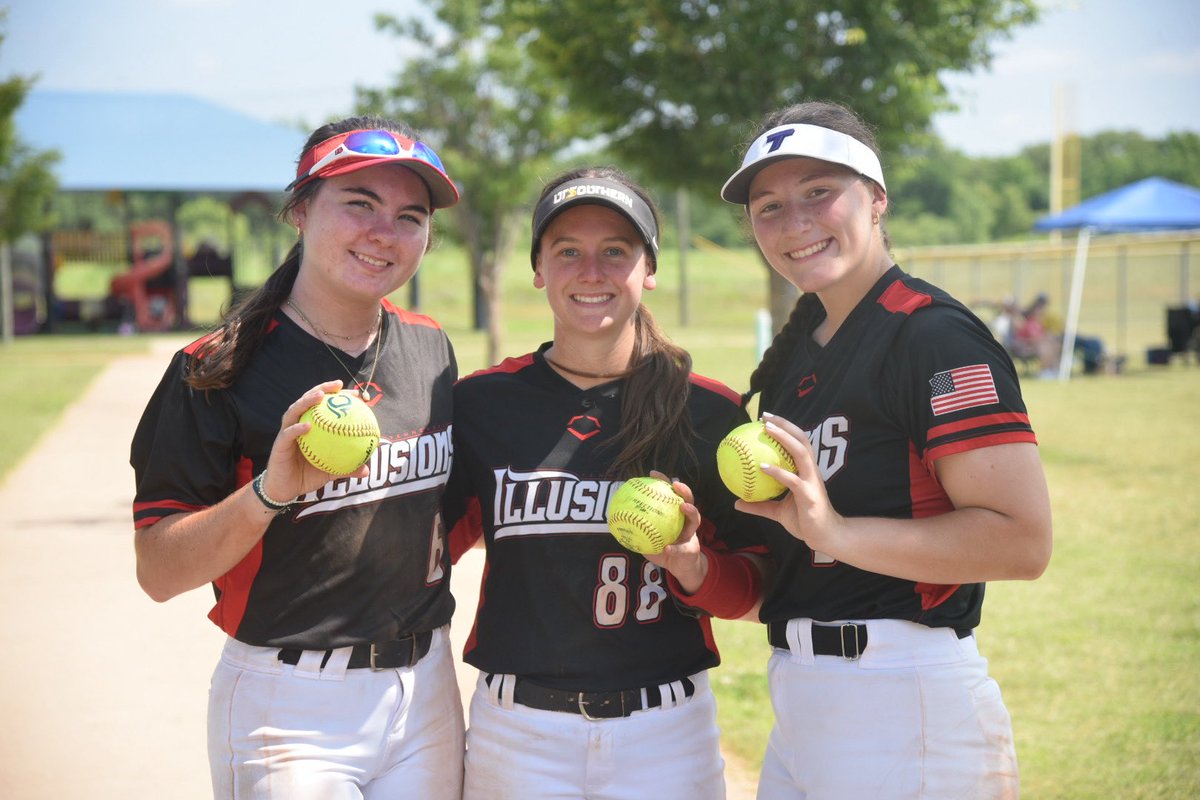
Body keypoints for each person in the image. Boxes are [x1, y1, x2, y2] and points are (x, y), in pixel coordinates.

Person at [702, 101, 1054, 798]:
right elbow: (808, 563)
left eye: (819, 193)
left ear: (878, 198)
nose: (794, 222)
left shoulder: (932, 337)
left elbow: (1023, 542)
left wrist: (837, 530)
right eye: (768, 207)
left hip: (902, 698)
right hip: (804, 698)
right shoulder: (797, 351)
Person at [130, 116, 465, 799]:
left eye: (410, 216)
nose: (384, 233)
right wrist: (269, 493)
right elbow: (159, 572)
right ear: (300, 209)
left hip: (427, 689)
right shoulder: (216, 368)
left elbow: (443, 518)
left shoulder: (431, 348)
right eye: (359, 204)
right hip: (290, 707)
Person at [442, 167, 762, 800]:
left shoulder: (708, 412)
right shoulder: (481, 404)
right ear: (539, 269)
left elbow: (758, 588)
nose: (592, 271)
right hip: (518, 731)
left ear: (648, 269)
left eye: (615, 251)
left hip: (666, 732)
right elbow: (423, 553)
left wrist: (695, 568)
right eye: (568, 251)